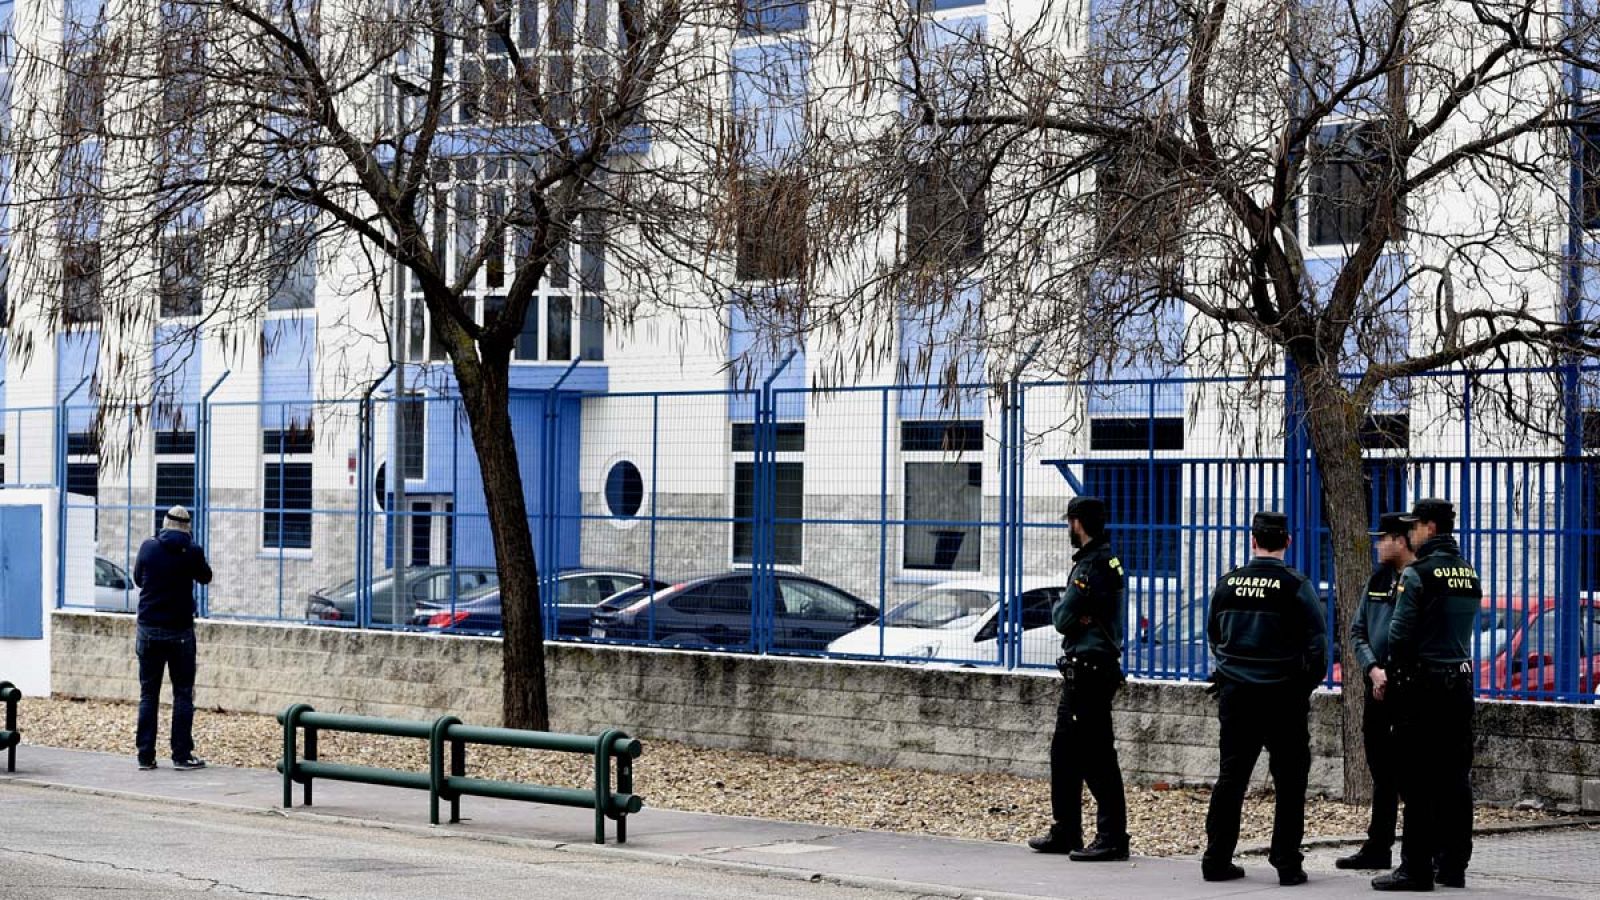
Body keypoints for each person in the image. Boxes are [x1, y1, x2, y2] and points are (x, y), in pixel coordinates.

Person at [1201, 510, 1327, 886]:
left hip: (1237, 696)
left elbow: (1214, 637)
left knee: (1231, 778)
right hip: (1283, 697)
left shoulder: (1227, 584)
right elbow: (1318, 646)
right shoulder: (1296, 585)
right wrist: (1301, 685)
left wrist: (1233, 673)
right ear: (1287, 542)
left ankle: (1216, 858)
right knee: (1290, 783)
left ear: (1252, 540)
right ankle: (1286, 862)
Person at [1373, 498, 1480, 892]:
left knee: (1417, 780)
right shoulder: (1467, 572)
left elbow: (1399, 636)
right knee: (1455, 778)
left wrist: (1396, 674)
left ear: (1429, 528)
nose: (1412, 532)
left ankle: (1415, 868)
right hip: (1459, 684)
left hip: (1422, 688)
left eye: (1415, 526)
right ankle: (1453, 864)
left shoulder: (1418, 574)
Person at [1027, 495, 1130, 861]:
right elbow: (1073, 615)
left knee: (1097, 755)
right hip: (1085, 669)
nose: (1068, 529)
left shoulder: (1091, 567)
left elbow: (1061, 619)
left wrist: (1072, 613)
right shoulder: (1106, 559)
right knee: (1065, 753)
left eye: (1069, 522)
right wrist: (1075, 614)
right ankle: (1066, 829)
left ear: (1078, 523)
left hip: (1091, 669)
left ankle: (1113, 837)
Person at [1337, 511, 1416, 872]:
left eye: (1383, 537)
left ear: (1401, 541)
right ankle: (1378, 845)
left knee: (1413, 773)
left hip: (1409, 688)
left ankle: (1419, 853)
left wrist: (1394, 673)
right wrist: (1372, 668)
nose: (1377, 543)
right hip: (1378, 687)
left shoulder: (1418, 579)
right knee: (1381, 770)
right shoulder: (1378, 580)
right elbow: (1357, 631)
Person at [133, 505, 212, 771]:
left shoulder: (148, 547)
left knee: (148, 694)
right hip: (180, 632)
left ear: (165, 523)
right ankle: (181, 755)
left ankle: (145, 755)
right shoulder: (192, 551)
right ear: (187, 527)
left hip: (148, 629)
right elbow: (206, 576)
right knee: (182, 694)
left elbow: (137, 580)